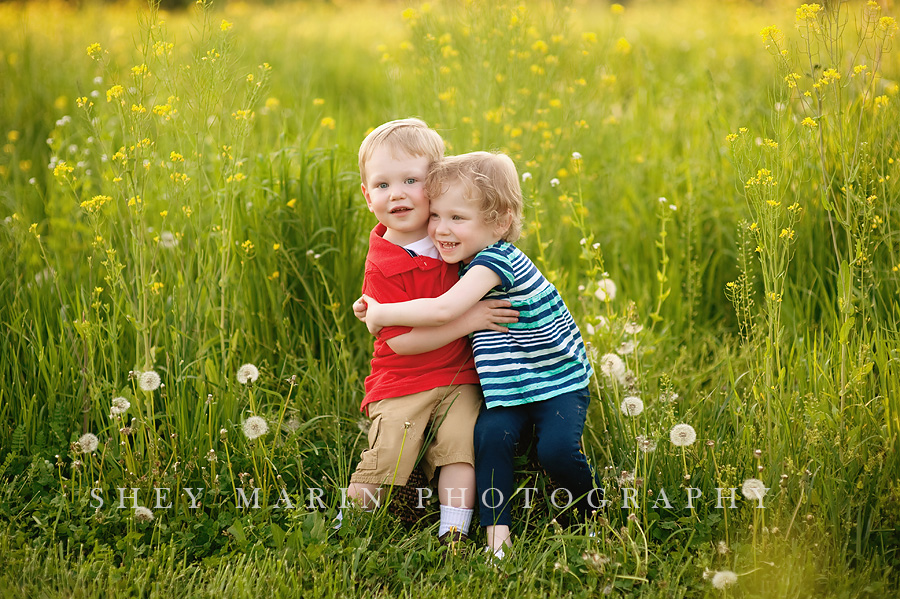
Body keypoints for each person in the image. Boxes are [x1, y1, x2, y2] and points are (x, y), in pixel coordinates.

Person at [360, 151, 597, 559]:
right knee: (489, 438)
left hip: (555, 382)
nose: (441, 229)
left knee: (555, 450)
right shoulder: (466, 260)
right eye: (437, 216)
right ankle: (495, 540)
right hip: (508, 388)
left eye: (457, 218)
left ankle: (592, 514)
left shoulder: (495, 261)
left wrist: (380, 312)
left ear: (500, 223)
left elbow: (444, 311)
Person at [342, 120, 518, 544]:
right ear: (368, 196)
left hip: (459, 375)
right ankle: (344, 527)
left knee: (461, 447)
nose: (397, 193)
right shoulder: (381, 263)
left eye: (411, 180)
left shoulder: (452, 237)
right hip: (401, 379)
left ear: (437, 185)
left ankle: (452, 530)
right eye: (382, 185)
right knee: (386, 457)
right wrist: (469, 321)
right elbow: (400, 342)